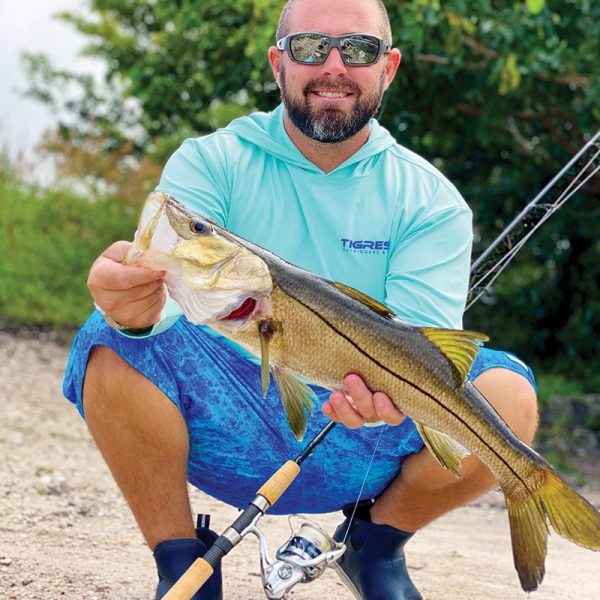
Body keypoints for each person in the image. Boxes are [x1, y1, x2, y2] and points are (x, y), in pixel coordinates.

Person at [63, 0, 539, 598]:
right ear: (278, 64)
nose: (333, 66)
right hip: (226, 423)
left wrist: (392, 395)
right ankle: (182, 565)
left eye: (359, 50)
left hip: (365, 435)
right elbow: (173, 298)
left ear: (387, 67)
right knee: (106, 337)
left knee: (509, 398)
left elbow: (426, 351)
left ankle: (376, 548)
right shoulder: (211, 161)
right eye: (311, 47)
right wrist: (133, 311)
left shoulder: (432, 201)